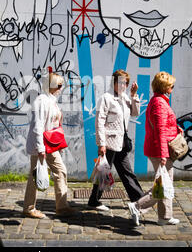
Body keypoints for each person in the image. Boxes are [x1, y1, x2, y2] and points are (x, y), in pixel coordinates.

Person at [127, 71, 180, 226]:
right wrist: (163, 154)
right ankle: (137, 206)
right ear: (165, 87)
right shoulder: (159, 103)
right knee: (163, 186)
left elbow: (163, 126)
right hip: (160, 150)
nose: (173, 87)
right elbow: (159, 130)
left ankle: (164, 217)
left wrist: (176, 129)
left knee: (165, 184)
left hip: (160, 148)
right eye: (171, 85)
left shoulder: (160, 101)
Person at [88, 69, 144, 211]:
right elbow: (99, 121)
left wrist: (133, 95)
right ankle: (94, 201)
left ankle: (139, 199)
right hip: (109, 143)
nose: (123, 86)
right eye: (120, 82)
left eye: (125, 83)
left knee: (127, 172)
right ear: (114, 82)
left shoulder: (125, 98)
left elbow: (135, 113)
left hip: (121, 142)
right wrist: (101, 144)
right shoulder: (106, 98)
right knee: (103, 172)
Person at [23, 71, 77, 218]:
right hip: (40, 146)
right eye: (59, 85)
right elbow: (37, 127)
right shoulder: (41, 101)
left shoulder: (51, 99)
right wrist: (40, 149)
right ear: (51, 86)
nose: (61, 88)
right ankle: (29, 208)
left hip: (49, 145)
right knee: (36, 176)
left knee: (60, 171)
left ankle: (61, 206)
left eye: (61, 85)